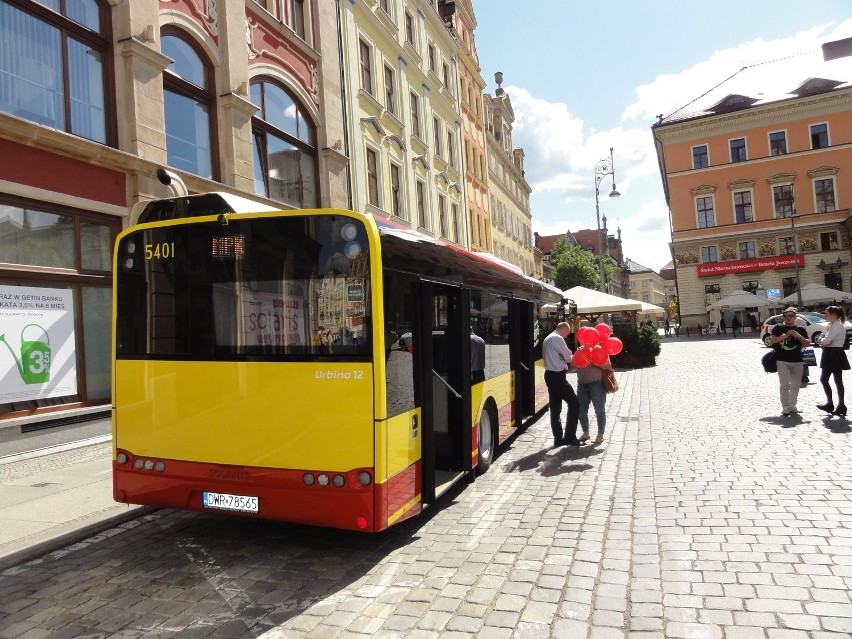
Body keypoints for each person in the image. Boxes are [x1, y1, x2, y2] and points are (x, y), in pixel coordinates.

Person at [542, 322, 582, 447]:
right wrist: (571, 356)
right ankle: (570, 436)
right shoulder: (557, 338)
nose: (567, 336)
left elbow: (563, 356)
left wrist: (564, 357)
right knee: (574, 403)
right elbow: (569, 357)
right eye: (567, 333)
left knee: (555, 408)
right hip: (557, 376)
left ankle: (558, 438)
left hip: (550, 374)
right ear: (563, 329)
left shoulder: (548, 338)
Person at [769, 307, 810, 415]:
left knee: (796, 385)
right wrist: (786, 335)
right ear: (783, 317)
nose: (789, 318)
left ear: (795, 317)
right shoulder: (778, 328)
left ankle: (792, 405)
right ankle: (785, 406)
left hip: (797, 361)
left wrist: (797, 335)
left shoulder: (800, 329)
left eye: (791, 316)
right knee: (784, 384)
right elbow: (772, 340)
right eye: (786, 316)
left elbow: (807, 343)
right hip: (782, 360)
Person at [817, 305, 850, 417]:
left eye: (826, 313)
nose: (825, 315)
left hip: (835, 352)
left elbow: (826, 341)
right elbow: (822, 338)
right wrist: (823, 340)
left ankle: (841, 405)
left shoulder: (837, 325)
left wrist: (823, 340)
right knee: (824, 379)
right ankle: (830, 403)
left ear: (833, 315)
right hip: (828, 352)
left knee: (837, 380)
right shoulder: (830, 325)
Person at [576, 353, 609, 444]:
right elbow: (573, 366)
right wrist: (579, 360)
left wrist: (593, 361)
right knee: (581, 410)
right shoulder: (580, 350)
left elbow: (608, 366)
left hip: (597, 384)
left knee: (599, 410)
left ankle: (600, 435)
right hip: (582, 384)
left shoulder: (599, 350)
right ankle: (585, 432)